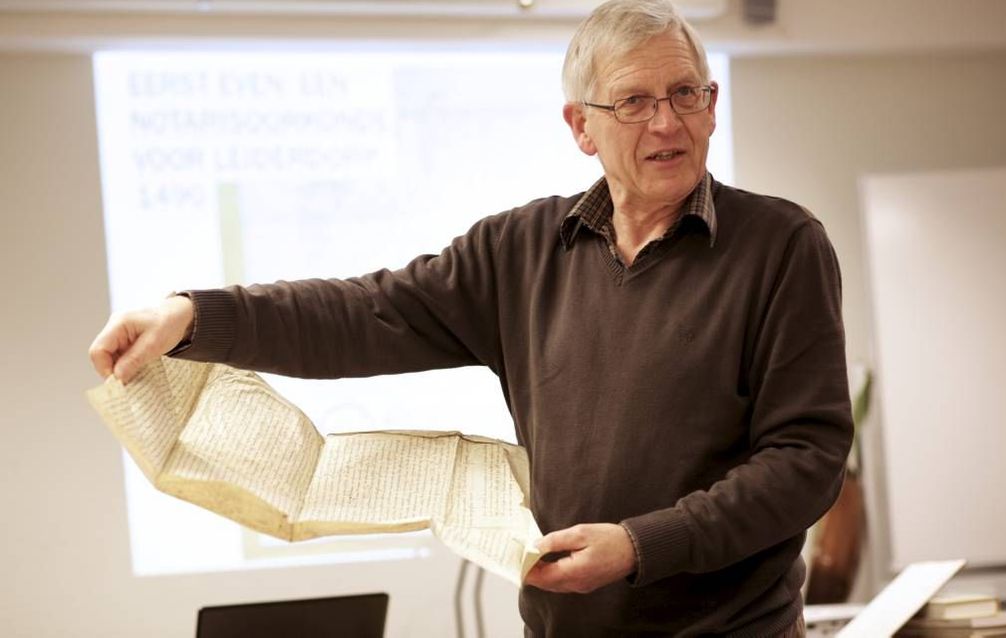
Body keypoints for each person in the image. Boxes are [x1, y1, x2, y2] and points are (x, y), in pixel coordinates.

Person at [89, 0, 852, 635]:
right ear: (581, 127)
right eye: (634, 101)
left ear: (713, 106)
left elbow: (805, 461)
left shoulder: (782, 247)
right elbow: (367, 313)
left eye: (687, 94)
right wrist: (195, 317)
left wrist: (638, 546)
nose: (666, 122)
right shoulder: (520, 250)